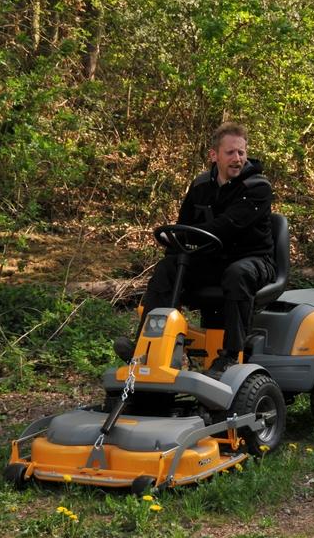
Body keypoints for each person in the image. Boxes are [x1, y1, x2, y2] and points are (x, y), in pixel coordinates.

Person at [115, 122, 275, 376]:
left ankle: (232, 355)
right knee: (169, 267)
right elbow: (184, 225)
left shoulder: (257, 188)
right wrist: (174, 244)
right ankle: (146, 346)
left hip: (254, 260)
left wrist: (190, 237)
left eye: (241, 152)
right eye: (230, 153)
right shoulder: (200, 187)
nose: (237, 159)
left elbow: (226, 226)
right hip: (212, 260)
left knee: (237, 273)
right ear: (214, 155)